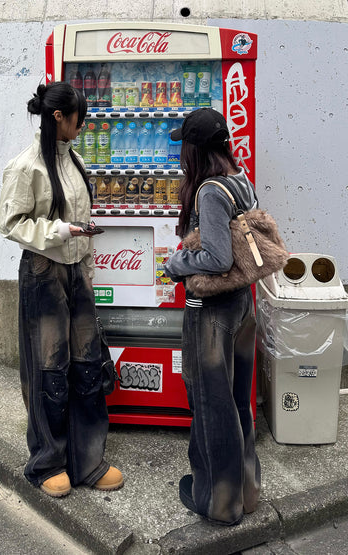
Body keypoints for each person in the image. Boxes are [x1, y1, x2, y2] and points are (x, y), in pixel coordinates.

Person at [0, 82, 123, 498]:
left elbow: (83, 222)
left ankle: (88, 461)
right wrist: (58, 230)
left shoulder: (75, 160)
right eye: (77, 118)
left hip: (75, 272)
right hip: (43, 271)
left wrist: (86, 267)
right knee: (48, 369)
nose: (82, 125)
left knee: (86, 365)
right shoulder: (25, 166)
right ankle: (47, 461)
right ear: (58, 117)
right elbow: (11, 223)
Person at [164, 108, 260, 525]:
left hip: (211, 312)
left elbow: (218, 259)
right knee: (238, 401)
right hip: (243, 305)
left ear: (196, 149)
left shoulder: (208, 191)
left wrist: (177, 262)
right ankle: (247, 491)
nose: (181, 154)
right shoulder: (240, 180)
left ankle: (217, 502)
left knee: (209, 404)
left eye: (184, 145)